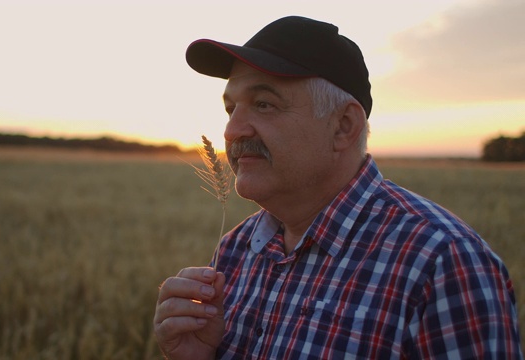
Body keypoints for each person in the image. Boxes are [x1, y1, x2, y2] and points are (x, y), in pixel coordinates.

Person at [154, 16, 522, 359]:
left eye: (264, 104)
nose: (233, 130)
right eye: (231, 108)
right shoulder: (234, 250)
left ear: (343, 126)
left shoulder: (443, 263)